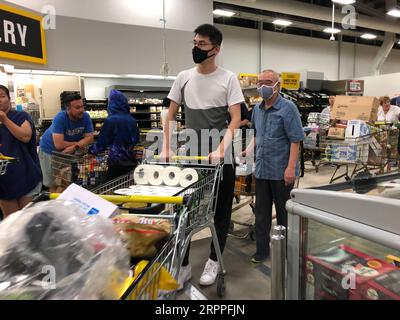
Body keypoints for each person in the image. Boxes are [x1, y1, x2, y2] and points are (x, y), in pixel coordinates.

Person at [160, 24, 243, 289]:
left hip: (221, 158)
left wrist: (221, 147)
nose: (196, 48)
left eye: (202, 44)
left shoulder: (228, 78)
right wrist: (167, 146)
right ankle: (182, 265)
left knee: (220, 211)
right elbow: (170, 115)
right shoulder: (184, 77)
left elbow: (236, 118)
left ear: (216, 49)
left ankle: (213, 260)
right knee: (185, 212)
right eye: (194, 42)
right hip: (191, 158)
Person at [242, 69, 304, 263]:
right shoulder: (257, 110)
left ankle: (285, 252)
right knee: (261, 214)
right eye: (260, 82)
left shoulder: (288, 108)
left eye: (267, 82)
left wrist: (290, 168)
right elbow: (257, 135)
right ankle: (262, 251)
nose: (263, 87)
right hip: (262, 170)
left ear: (278, 85)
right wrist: (248, 151)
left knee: (284, 215)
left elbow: (295, 140)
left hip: (280, 171)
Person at [0, 85, 42, 218]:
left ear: (9, 99)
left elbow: (25, 136)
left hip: (26, 176)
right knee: (11, 223)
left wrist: (4, 119)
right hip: (4, 181)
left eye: (1, 96)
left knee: (26, 221)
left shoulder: (20, 116)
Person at [38, 93, 94, 192]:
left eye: (82, 106)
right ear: (68, 109)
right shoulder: (60, 118)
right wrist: (79, 142)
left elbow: (90, 138)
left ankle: (60, 204)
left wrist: (75, 146)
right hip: (49, 151)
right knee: (53, 184)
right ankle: (54, 206)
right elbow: (59, 144)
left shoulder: (85, 116)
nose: (81, 110)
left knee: (65, 182)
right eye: (77, 107)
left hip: (68, 153)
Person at [89, 90, 139, 180]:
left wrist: (90, 151)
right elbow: (136, 140)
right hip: (131, 162)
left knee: (113, 189)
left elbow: (102, 144)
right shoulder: (132, 120)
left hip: (116, 163)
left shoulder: (111, 120)